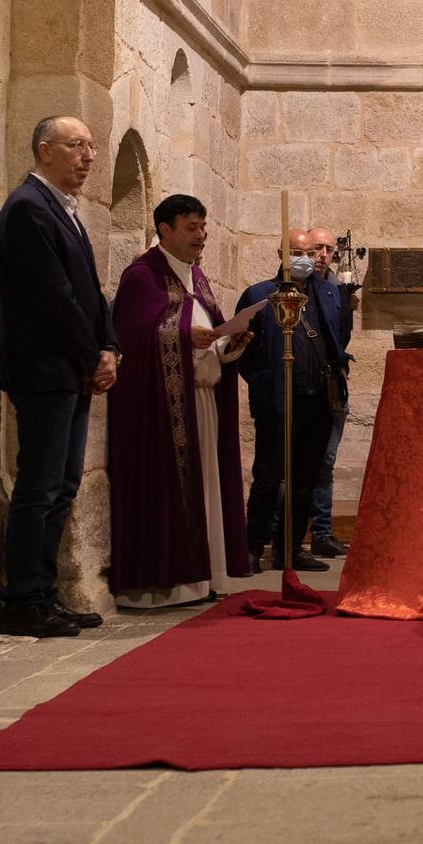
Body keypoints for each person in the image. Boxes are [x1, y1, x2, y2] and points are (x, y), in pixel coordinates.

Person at [0, 116, 118, 638]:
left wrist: (108, 344)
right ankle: (23, 599)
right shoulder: (27, 209)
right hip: (45, 369)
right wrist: (92, 355)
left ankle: (45, 593)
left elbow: (89, 290)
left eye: (91, 146)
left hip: (71, 367)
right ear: (45, 150)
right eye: (76, 146)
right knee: (39, 487)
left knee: (62, 486)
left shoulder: (64, 210)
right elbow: (52, 300)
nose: (88, 156)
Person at [108, 194, 252, 608]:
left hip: (203, 400)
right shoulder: (142, 276)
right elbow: (133, 335)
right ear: (165, 230)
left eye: (203, 227)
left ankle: (204, 576)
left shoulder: (196, 276)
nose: (201, 236)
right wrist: (183, 337)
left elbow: (207, 330)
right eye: (191, 228)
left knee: (205, 485)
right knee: (173, 490)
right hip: (164, 407)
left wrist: (230, 341)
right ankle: (169, 583)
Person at [239, 230, 344, 573]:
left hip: (317, 401)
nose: (306, 257)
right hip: (278, 400)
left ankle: (291, 548)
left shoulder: (328, 292)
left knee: (305, 479)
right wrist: (263, 380)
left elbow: (337, 339)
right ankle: (253, 547)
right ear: (281, 253)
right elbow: (243, 347)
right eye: (296, 251)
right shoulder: (259, 294)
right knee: (269, 477)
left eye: (310, 251)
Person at [304, 225, 353, 558]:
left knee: (325, 461)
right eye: (315, 249)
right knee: (285, 465)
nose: (322, 256)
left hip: (331, 386)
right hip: (299, 388)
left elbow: (341, 336)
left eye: (327, 250)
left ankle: (321, 532)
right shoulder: (282, 291)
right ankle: (283, 534)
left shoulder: (336, 292)